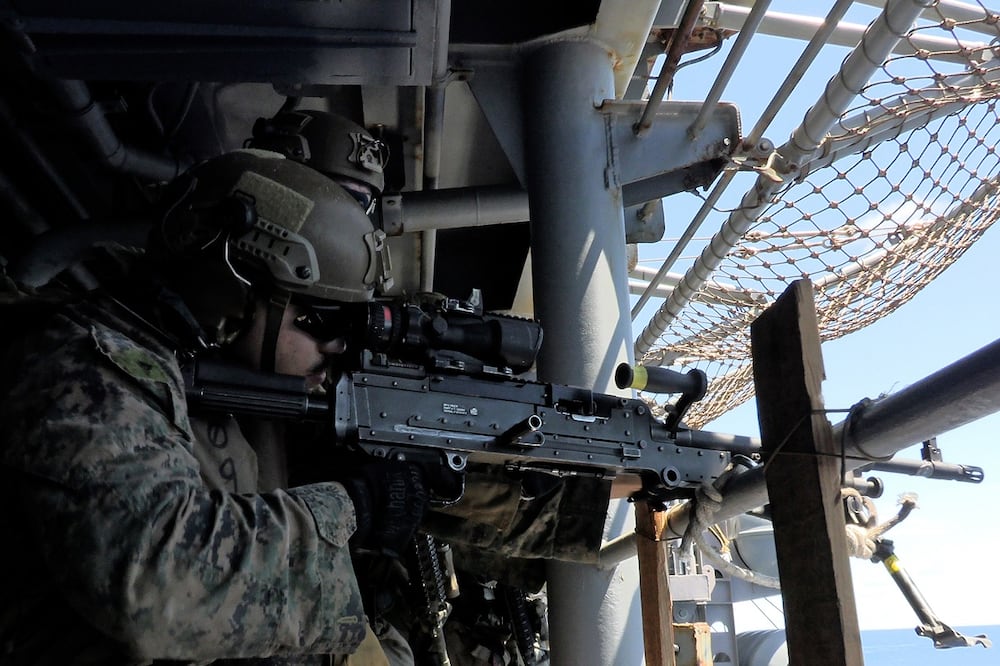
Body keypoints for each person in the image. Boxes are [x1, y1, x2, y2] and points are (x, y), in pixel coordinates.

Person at [0, 148, 422, 664]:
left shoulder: (184, 373)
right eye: (324, 321)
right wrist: (353, 507)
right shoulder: (85, 368)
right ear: (235, 288)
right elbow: (159, 583)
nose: (338, 348)